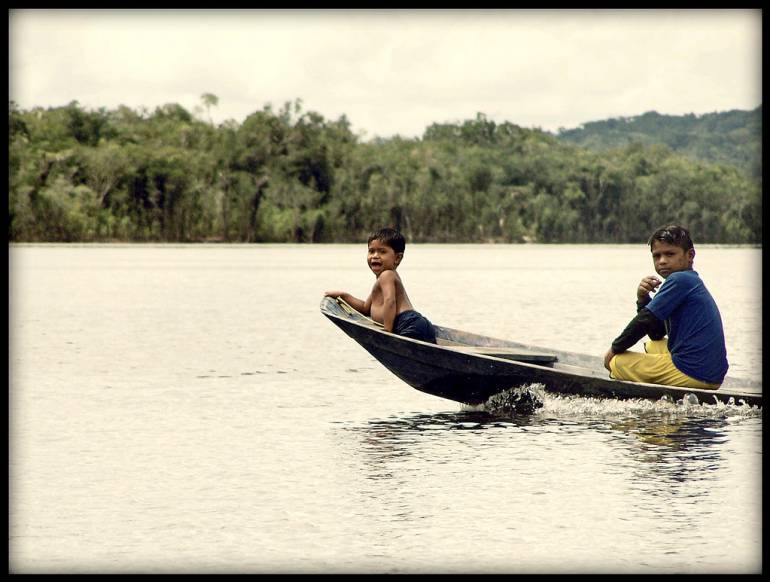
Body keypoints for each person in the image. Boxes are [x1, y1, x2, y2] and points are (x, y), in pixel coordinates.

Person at [603, 224, 728, 389]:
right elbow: (656, 333)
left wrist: (613, 349)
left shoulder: (680, 280)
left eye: (670, 254)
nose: (662, 261)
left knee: (617, 362)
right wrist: (643, 298)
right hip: (710, 373)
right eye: (657, 256)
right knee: (653, 346)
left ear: (690, 255)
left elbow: (644, 321)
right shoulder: (689, 280)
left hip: (696, 373)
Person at [325, 227, 437, 344]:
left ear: (397, 258)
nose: (375, 256)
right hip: (415, 324)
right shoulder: (384, 279)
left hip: (407, 323)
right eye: (371, 251)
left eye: (382, 252)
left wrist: (387, 331)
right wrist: (344, 296)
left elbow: (390, 301)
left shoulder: (387, 275)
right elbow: (365, 308)